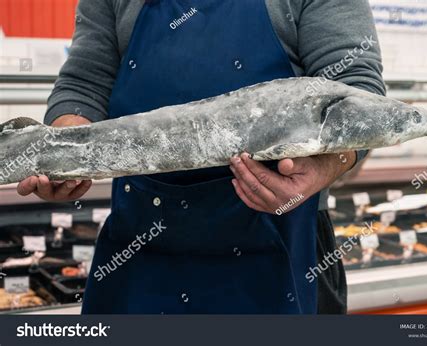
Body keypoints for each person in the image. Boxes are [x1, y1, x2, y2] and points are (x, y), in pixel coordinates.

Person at [17, 0, 385, 314]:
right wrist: (63, 151)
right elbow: (85, 83)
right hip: (139, 253)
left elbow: (356, 94)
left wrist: (325, 166)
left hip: (282, 252)